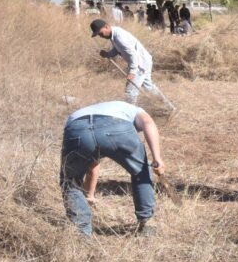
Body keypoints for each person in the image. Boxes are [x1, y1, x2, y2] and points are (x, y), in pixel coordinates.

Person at [60, 100, 166, 236]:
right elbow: (148, 123)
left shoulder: (92, 110)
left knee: (70, 181)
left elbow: (92, 162)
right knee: (141, 171)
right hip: (117, 126)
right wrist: (157, 158)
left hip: (77, 128)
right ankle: (147, 224)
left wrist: (89, 195)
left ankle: (82, 234)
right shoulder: (135, 110)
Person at [90, 19, 170, 108]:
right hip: (143, 60)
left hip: (140, 63)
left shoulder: (119, 36)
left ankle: (130, 113)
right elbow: (118, 49)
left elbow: (133, 54)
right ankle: (168, 107)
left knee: (130, 91)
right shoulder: (113, 35)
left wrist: (132, 72)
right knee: (149, 87)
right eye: (99, 35)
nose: (101, 36)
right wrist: (108, 54)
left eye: (101, 33)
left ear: (106, 26)